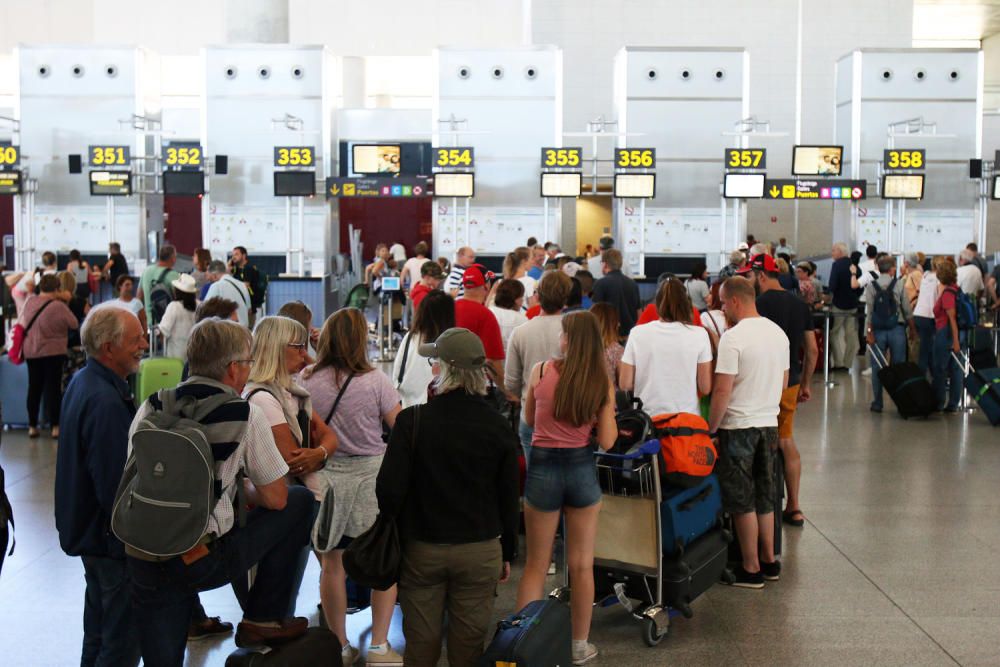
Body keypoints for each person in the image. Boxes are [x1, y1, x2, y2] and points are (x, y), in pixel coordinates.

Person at [126, 318, 313, 666]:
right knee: (299, 501)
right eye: (247, 363)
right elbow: (277, 499)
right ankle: (262, 617)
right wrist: (242, 491)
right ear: (232, 369)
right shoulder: (245, 414)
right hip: (201, 557)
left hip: (144, 552)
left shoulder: (152, 404)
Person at [377, 328, 519, 666]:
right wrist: (507, 551)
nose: (432, 368)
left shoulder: (412, 421)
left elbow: (388, 491)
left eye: (435, 361)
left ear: (445, 369)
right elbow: (509, 496)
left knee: (421, 645)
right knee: (468, 647)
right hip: (480, 549)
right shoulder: (497, 425)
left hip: (422, 549)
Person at [298, 309, 403, 666]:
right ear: (362, 340)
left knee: (331, 566)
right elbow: (400, 428)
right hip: (371, 480)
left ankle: (339, 645)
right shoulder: (376, 381)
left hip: (325, 481)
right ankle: (378, 646)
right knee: (382, 564)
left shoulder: (307, 379)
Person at [515, 311, 617, 665]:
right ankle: (578, 645)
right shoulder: (600, 382)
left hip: (542, 468)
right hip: (581, 470)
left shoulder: (541, 371)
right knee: (582, 564)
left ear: (568, 340)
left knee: (535, 565)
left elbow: (528, 420)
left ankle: (523, 641)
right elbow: (607, 439)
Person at [55, 306, 147, 667]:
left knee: (97, 632)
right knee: (120, 643)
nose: (143, 344)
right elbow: (114, 485)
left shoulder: (84, 382)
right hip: (110, 543)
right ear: (109, 348)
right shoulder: (105, 401)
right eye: (134, 339)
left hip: (89, 536)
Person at [244, 316, 339, 621]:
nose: (305, 353)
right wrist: (320, 453)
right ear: (276, 349)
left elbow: (328, 437)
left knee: (293, 580)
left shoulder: (292, 393)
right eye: (298, 346)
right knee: (280, 587)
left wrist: (319, 453)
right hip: (278, 505)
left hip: (297, 499)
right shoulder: (263, 398)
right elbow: (291, 458)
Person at [708, 277, 789, 589]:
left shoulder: (733, 338)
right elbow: (782, 384)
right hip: (769, 424)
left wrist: (712, 427)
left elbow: (722, 391)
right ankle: (769, 561)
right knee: (765, 495)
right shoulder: (777, 333)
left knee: (742, 500)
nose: (722, 308)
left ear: (736, 302)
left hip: (737, 426)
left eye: (724, 302)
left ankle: (750, 567)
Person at [744, 255, 817, 529]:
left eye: (751, 276)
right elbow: (811, 350)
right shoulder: (800, 304)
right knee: (786, 440)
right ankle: (794, 507)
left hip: (760, 382)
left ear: (761, 276)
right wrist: (806, 383)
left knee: (756, 440)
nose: (749, 282)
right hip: (791, 382)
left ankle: (758, 505)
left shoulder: (757, 305)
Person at [620, 277, 712, 416]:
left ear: (657, 303)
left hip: (648, 420)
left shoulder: (637, 333)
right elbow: (705, 388)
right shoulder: (699, 334)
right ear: (686, 303)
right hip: (686, 421)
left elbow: (625, 384)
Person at [505, 270, 572, 458]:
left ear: (538, 296)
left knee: (535, 479)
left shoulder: (520, 332)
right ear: (566, 297)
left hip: (532, 414)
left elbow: (511, 384)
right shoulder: (574, 331)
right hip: (569, 414)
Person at [19, 274, 79, 438]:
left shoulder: (30, 301)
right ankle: (55, 427)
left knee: (34, 388)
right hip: (53, 352)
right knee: (52, 389)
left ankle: (32, 426)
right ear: (57, 288)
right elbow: (73, 323)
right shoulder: (58, 306)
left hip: (31, 351)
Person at [863, 255, 913, 413]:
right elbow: (907, 309)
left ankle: (878, 402)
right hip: (897, 329)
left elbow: (869, 311)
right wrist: (913, 329)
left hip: (877, 330)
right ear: (892, 269)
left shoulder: (871, 286)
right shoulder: (899, 283)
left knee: (877, 367)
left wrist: (868, 333)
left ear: (878, 268)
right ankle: (900, 402)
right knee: (899, 367)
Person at [393, 291, 456, 408]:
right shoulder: (449, 344)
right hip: (435, 410)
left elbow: (396, 373)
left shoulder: (410, 336)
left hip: (407, 407)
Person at [454, 265, 508, 396]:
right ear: (487, 286)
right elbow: (492, 361)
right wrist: (506, 391)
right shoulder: (485, 315)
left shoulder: (450, 307)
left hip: (448, 383)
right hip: (473, 388)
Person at [932, 261, 966, 413]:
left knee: (940, 368)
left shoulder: (947, 294)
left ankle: (938, 402)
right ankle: (953, 403)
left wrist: (955, 341)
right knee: (956, 370)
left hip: (946, 334)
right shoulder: (957, 290)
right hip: (959, 333)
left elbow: (951, 318)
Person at [591, 248, 640, 338]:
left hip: (608, 335)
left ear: (605, 264)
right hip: (629, 334)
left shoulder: (600, 283)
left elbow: (596, 312)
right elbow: (638, 311)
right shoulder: (632, 283)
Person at [828, 242, 861, 370]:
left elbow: (832, 285)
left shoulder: (836, 265)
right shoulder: (855, 266)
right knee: (851, 334)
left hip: (839, 305)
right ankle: (848, 363)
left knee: (834, 333)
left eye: (833, 250)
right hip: (853, 305)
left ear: (840, 252)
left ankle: (838, 361)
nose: (832, 253)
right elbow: (859, 287)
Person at [137, 245, 180, 327]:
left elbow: (139, 296)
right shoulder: (174, 275)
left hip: (149, 322)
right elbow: (179, 300)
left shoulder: (146, 271)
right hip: (168, 323)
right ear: (172, 258)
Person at [157, 274, 198, 360]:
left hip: (175, 358)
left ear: (177, 291)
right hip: (194, 357)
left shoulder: (174, 306)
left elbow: (163, 332)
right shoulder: (199, 305)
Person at [913, 256, 943, 373]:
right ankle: (922, 378)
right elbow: (940, 298)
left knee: (927, 347)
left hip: (918, 314)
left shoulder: (925, 276)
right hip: (929, 316)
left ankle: (932, 374)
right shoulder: (939, 280)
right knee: (926, 350)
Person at [204, 259, 251, 327]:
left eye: (211, 278)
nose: (211, 280)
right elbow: (249, 310)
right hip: (243, 330)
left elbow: (205, 310)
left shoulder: (216, 286)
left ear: (214, 275)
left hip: (228, 331)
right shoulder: (242, 285)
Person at [590, 302, 625, 389]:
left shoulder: (580, 348)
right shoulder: (616, 350)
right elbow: (624, 384)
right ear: (609, 324)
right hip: (609, 400)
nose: (619, 324)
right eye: (616, 321)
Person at [11, 250, 58, 316]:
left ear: (43, 262)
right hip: (23, 293)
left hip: (26, 295)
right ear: (55, 262)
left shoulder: (38, 272)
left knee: (22, 313)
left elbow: (36, 288)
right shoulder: (56, 274)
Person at [230, 246, 266, 327]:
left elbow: (245, 286)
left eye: (236, 254)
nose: (233, 257)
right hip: (238, 308)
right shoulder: (235, 270)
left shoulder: (249, 269)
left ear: (244, 255)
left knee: (247, 331)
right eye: (232, 255)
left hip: (248, 308)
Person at [489, 279, 528, 352]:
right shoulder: (522, 320)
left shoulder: (490, 312)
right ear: (516, 300)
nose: (522, 301)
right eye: (521, 297)